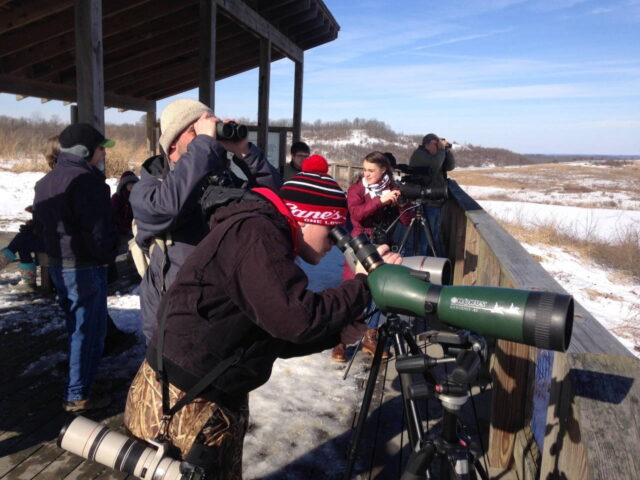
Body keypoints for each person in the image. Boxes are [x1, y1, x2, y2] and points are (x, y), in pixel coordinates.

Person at [124, 155, 401, 479]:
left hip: (206, 396)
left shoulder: (264, 236)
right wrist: (365, 283)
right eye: (332, 230)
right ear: (307, 219)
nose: (334, 245)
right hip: (181, 403)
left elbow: (271, 333)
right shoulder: (256, 235)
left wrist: (334, 334)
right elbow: (296, 318)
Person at [130, 98, 282, 342]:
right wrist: (205, 144)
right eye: (196, 131)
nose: (209, 136)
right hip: (177, 326)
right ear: (171, 146)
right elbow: (166, 209)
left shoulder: (222, 179)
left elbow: (274, 202)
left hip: (225, 316)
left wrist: (246, 152)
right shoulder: (149, 188)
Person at [33, 123, 118, 412]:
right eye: (99, 150)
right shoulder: (86, 182)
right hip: (84, 267)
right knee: (88, 331)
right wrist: (108, 255)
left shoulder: (46, 182)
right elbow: (97, 232)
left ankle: (83, 382)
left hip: (59, 265)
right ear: (85, 151)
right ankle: (77, 394)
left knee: (76, 328)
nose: (101, 155)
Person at [332, 151, 411, 362]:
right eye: (364, 169)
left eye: (371, 170)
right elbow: (357, 215)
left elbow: (405, 221)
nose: (366, 174)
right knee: (354, 290)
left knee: (378, 293)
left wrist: (402, 203)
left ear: (384, 170)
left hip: (384, 245)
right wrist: (380, 200)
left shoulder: (391, 189)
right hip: (360, 244)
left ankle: (370, 336)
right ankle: (339, 340)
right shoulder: (357, 189)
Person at [408, 133, 455, 256]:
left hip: (436, 200)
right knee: (426, 237)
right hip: (425, 201)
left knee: (433, 235)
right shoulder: (419, 155)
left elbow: (450, 166)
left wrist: (447, 151)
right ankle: (423, 261)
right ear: (427, 144)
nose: (438, 146)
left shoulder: (435, 156)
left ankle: (430, 260)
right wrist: (441, 150)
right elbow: (435, 166)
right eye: (436, 144)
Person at [0, 206, 44, 292]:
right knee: (22, 242)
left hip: (58, 240)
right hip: (49, 237)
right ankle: (28, 282)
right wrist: (31, 227)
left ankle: (29, 282)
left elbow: (54, 225)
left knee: (21, 240)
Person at [110, 170, 139, 254]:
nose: (132, 186)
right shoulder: (117, 199)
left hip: (136, 231)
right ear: (124, 185)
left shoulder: (139, 197)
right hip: (121, 233)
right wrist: (124, 229)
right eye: (129, 184)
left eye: (134, 184)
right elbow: (113, 217)